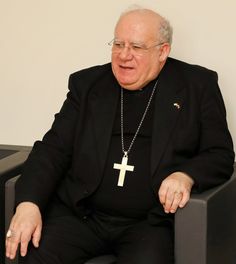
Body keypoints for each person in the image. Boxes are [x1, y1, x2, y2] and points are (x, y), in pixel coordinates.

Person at [5, 7, 234, 264]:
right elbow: (53, 149)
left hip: (148, 223)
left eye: (136, 47)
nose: (124, 55)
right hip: (82, 216)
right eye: (118, 44)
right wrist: (28, 203)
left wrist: (187, 175)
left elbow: (220, 153)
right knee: (33, 253)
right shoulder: (88, 85)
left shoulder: (197, 85)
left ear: (162, 51)